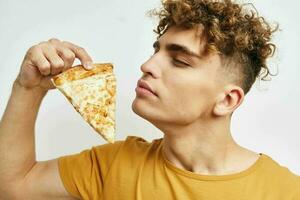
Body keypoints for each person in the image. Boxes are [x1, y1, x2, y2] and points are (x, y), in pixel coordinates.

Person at [0, 0, 299, 199]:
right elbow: (13, 186)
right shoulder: (113, 165)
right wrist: (27, 89)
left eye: (180, 61)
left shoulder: (284, 192)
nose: (148, 65)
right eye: (156, 51)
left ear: (227, 100)